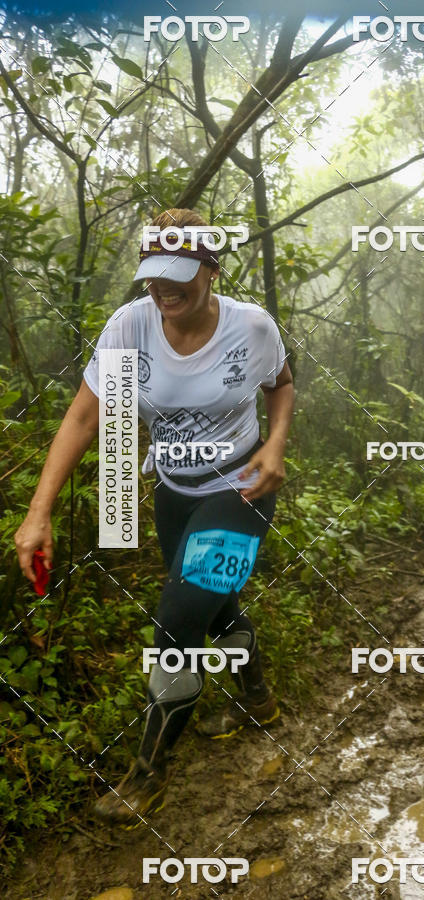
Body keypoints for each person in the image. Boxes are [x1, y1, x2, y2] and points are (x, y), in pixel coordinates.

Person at [14, 208, 295, 826]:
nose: (164, 289)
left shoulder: (252, 328)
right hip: (173, 493)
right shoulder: (129, 326)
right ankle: (259, 697)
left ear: (212, 269)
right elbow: (86, 416)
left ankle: (147, 776)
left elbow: (281, 383)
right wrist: (39, 513)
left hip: (240, 490)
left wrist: (274, 445)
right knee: (214, 607)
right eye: (153, 275)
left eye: (179, 275)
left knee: (177, 622)